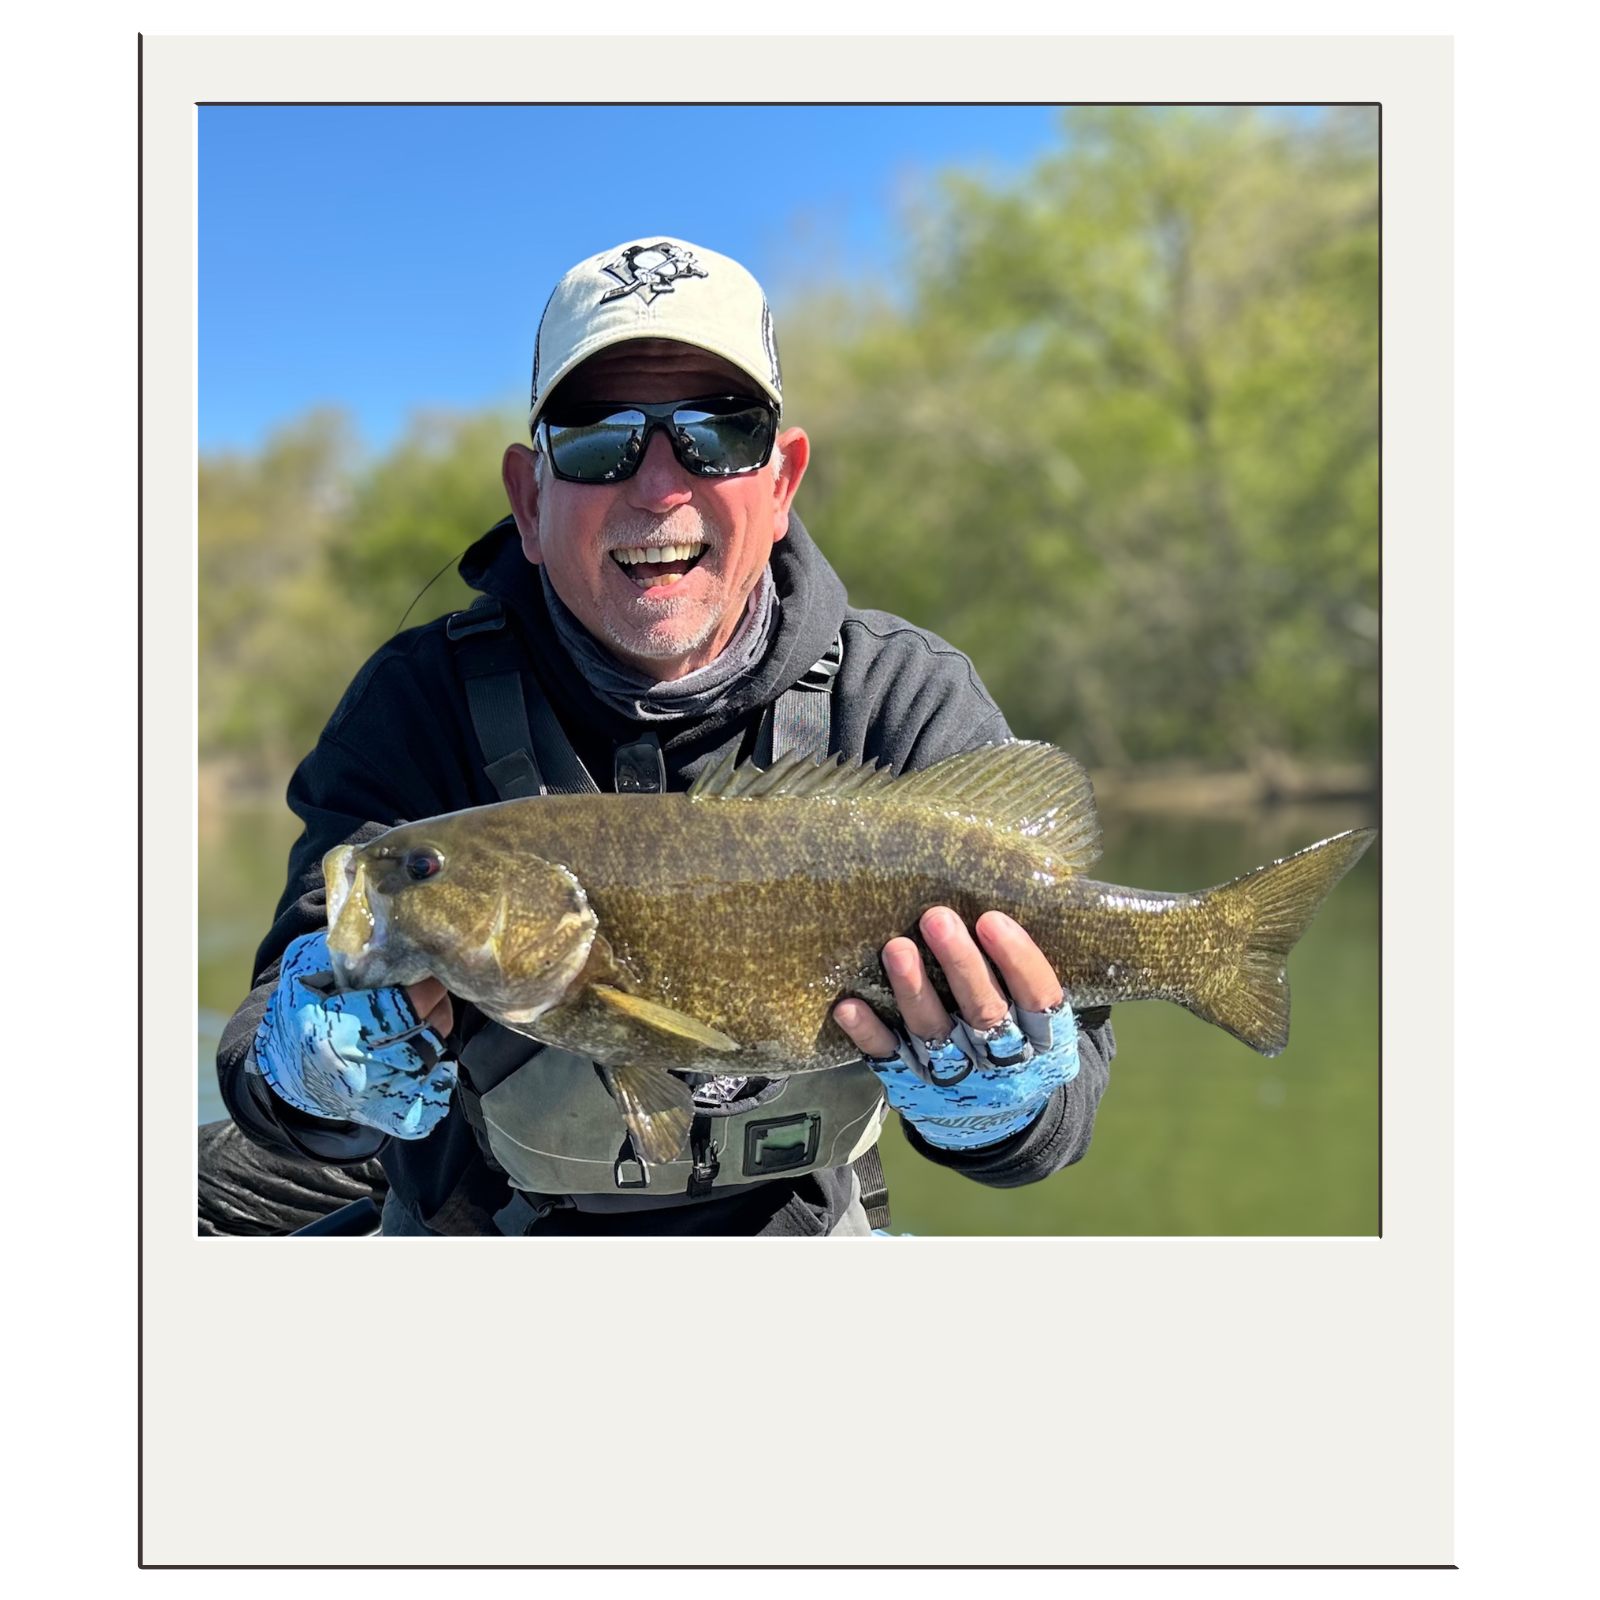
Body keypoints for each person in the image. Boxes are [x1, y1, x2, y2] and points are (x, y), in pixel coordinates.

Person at [210, 236, 1114, 1237]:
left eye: (717, 434)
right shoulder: (416, 701)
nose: (657, 486)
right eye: (599, 438)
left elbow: (1063, 1105)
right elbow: (267, 1048)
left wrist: (1006, 1107)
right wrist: (308, 1078)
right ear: (528, 495)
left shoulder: (900, 695)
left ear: (781, 484)